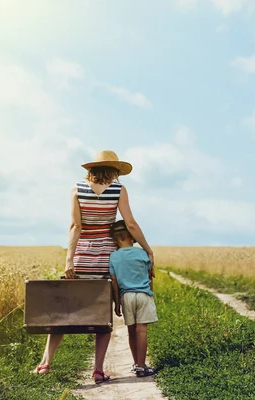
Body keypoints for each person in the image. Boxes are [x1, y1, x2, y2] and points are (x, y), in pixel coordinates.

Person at [31, 150, 154, 384]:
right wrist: (147, 248)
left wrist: (69, 261)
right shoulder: (118, 190)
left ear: (91, 169)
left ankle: (46, 363)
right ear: (114, 170)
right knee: (101, 316)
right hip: (106, 258)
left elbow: (75, 226)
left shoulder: (77, 189)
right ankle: (98, 370)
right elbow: (130, 223)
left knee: (64, 313)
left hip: (81, 257)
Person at [109, 220, 158, 378]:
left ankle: (136, 364)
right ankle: (143, 365)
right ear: (132, 237)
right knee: (142, 330)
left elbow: (114, 282)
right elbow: (150, 276)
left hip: (126, 296)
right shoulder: (143, 253)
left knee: (131, 331)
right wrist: (151, 293)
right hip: (144, 295)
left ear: (115, 240)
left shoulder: (114, 257)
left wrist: (117, 303)